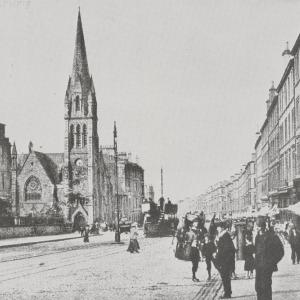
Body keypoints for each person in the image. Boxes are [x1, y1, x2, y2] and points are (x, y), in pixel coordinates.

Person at [255, 217, 284, 300]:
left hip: (267, 267)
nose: (257, 228)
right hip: (259, 267)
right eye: (257, 226)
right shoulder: (257, 237)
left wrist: (271, 262)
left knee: (266, 287)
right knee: (258, 287)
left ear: (263, 226)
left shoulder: (272, 237)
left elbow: (281, 252)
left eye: (259, 226)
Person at [214, 221, 235, 299]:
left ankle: (227, 293)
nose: (217, 228)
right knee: (225, 277)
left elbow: (227, 249)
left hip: (225, 261)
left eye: (218, 227)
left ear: (222, 228)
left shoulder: (225, 236)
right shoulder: (222, 236)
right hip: (224, 260)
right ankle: (227, 292)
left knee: (225, 277)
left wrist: (220, 255)